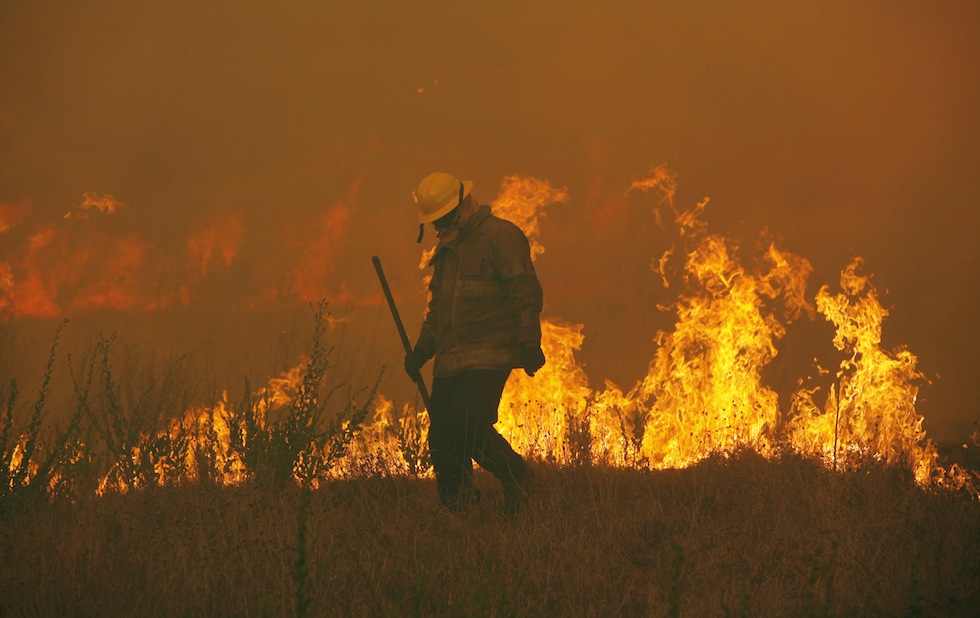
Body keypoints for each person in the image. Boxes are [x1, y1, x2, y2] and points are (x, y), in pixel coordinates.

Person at [404, 171, 545, 513]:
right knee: (441, 438)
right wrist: (423, 349)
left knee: (469, 427)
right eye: (434, 221)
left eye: (442, 219)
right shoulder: (447, 249)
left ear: (460, 207)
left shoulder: (501, 237)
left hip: (489, 353)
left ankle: (519, 480)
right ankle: (458, 506)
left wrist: (529, 342)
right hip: (451, 358)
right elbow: (438, 307)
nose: (438, 227)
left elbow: (524, 292)